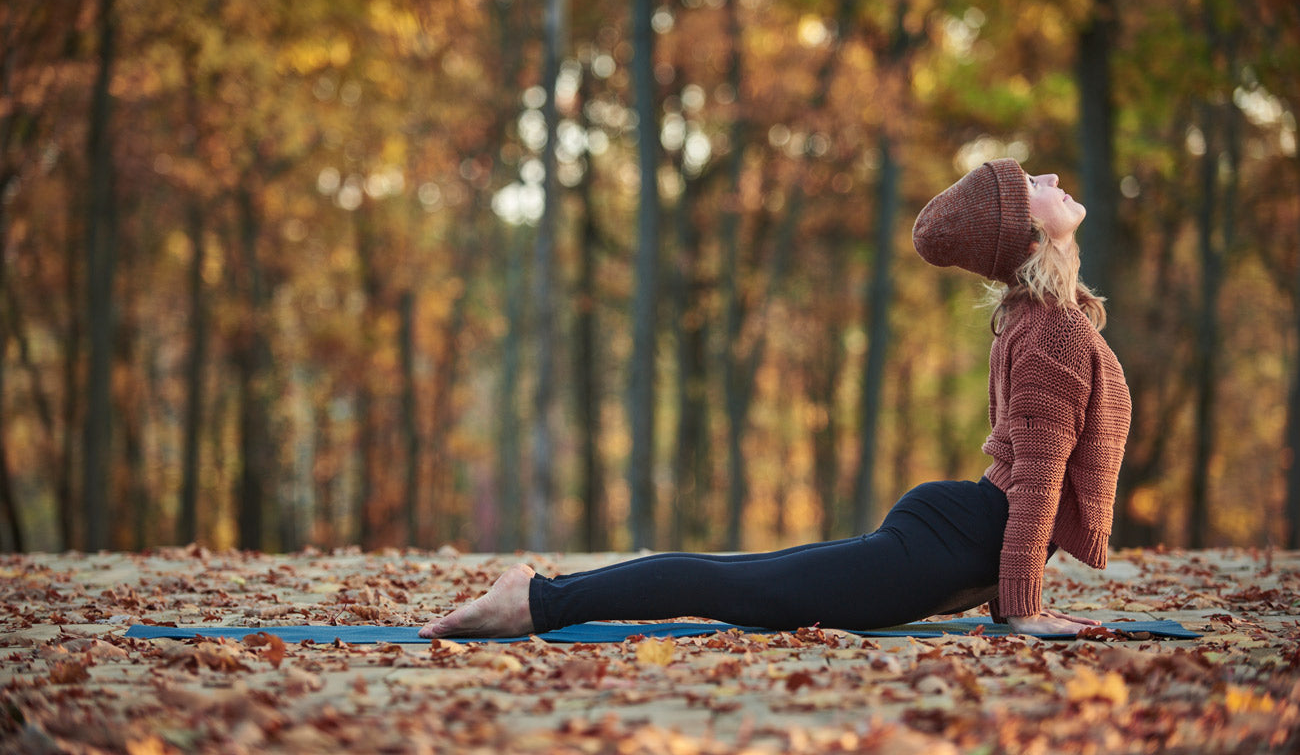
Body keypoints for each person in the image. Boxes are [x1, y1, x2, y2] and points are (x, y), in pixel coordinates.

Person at [419, 158, 1132, 640]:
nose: (1052, 175)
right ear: (1028, 228)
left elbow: (1035, 473)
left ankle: (538, 596)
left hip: (959, 535)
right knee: (732, 589)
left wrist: (1016, 596)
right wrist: (1022, 609)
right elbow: (1036, 480)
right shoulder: (1051, 329)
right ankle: (536, 602)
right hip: (954, 542)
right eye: (1033, 181)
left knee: (737, 580)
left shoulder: (1044, 320)